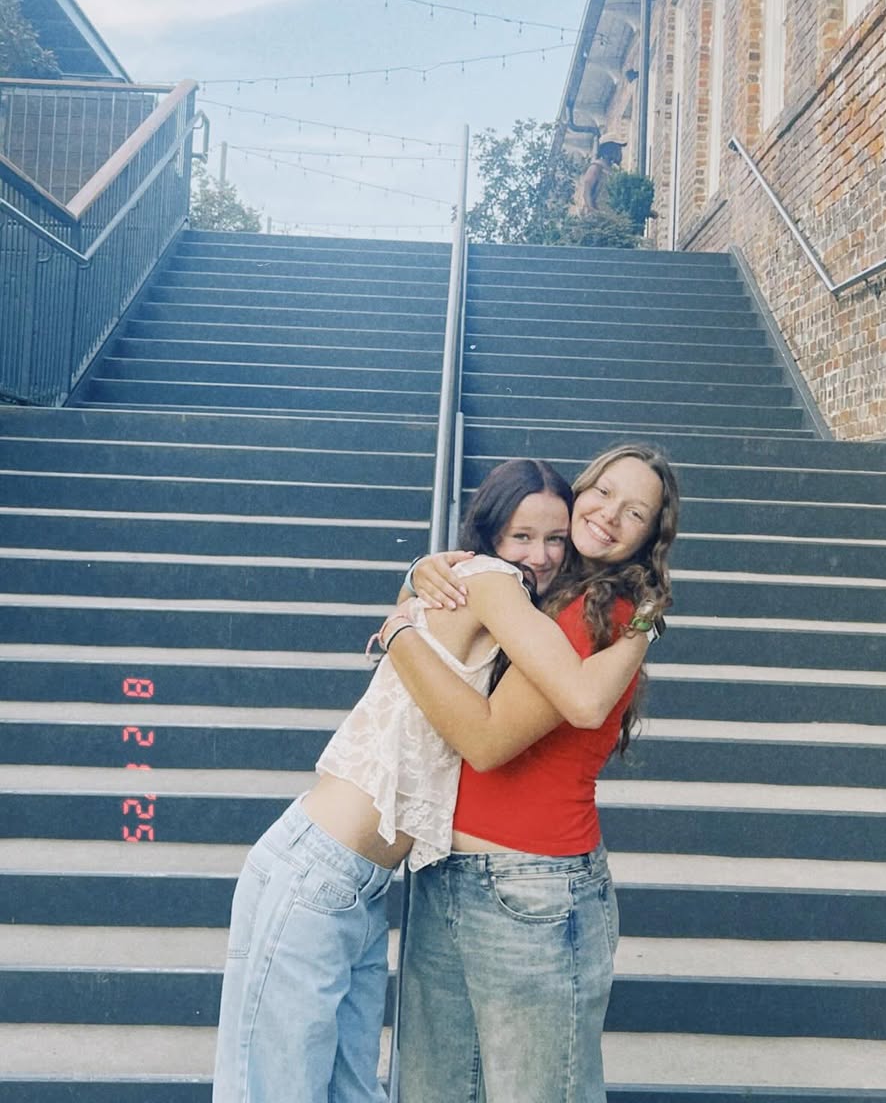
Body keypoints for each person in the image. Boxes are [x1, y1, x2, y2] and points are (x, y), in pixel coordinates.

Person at [211, 456, 657, 1103]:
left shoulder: (507, 597)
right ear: (490, 534)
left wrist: (411, 588)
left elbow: (442, 616)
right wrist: (645, 619)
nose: (539, 554)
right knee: (273, 1090)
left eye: (554, 538)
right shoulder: (494, 583)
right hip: (315, 870)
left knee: (348, 1089)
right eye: (521, 535)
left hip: (362, 885)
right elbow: (577, 699)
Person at [390, 442, 680, 1103]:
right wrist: (419, 574)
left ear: (649, 537)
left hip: (529, 888)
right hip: (450, 873)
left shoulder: (601, 611)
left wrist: (397, 633)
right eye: (603, 491)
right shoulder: (545, 593)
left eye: (635, 512)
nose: (609, 514)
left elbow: (486, 741)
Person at [574, 138, 626, 215]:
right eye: (617, 149)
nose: (620, 152)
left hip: (607, 215)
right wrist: (591, 209)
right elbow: (587, 188)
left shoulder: (612, 171)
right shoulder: (596, 167)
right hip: (595, 216)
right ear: (609, 150)